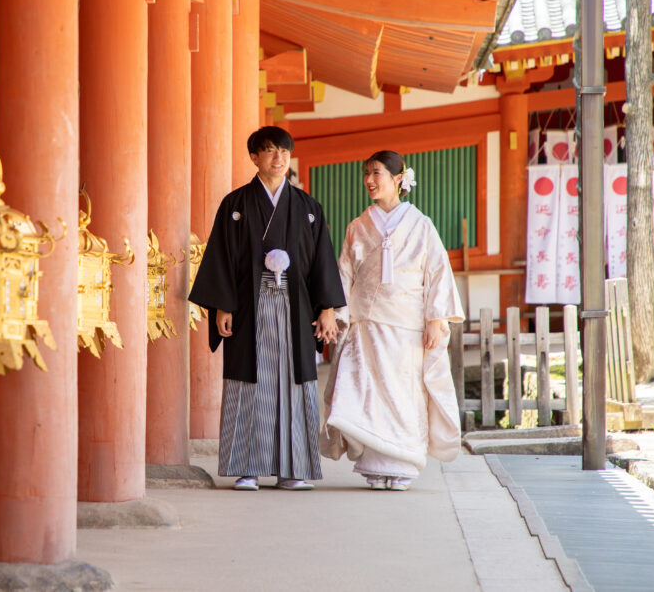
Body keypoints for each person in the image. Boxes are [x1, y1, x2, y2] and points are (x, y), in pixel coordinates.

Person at [189, 126, 346, 491]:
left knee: (294, 381)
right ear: (254, 157)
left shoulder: (308, 208)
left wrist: (327, 309)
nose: (279, 158)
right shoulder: (236, 205)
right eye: (270, 151)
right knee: (250, 382)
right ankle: (247, 467)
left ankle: (293, 469)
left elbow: (322, 261)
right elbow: (223, 260)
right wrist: (223, 306)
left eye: (285, 151)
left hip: (296, 305)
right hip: (249, 304)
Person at [321, 150, 464, 491]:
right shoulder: (358, 226)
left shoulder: (422, 225)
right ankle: (374, 463)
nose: (369, 180)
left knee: (404, 393)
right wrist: (335, 314)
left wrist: (435, 318)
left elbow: (437, 273)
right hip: (367, 324)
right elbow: (344, 274)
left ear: (399, 178)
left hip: (406, 325)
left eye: (377, 173)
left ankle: (403, 462)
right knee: (367, 392)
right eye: (366, 174)